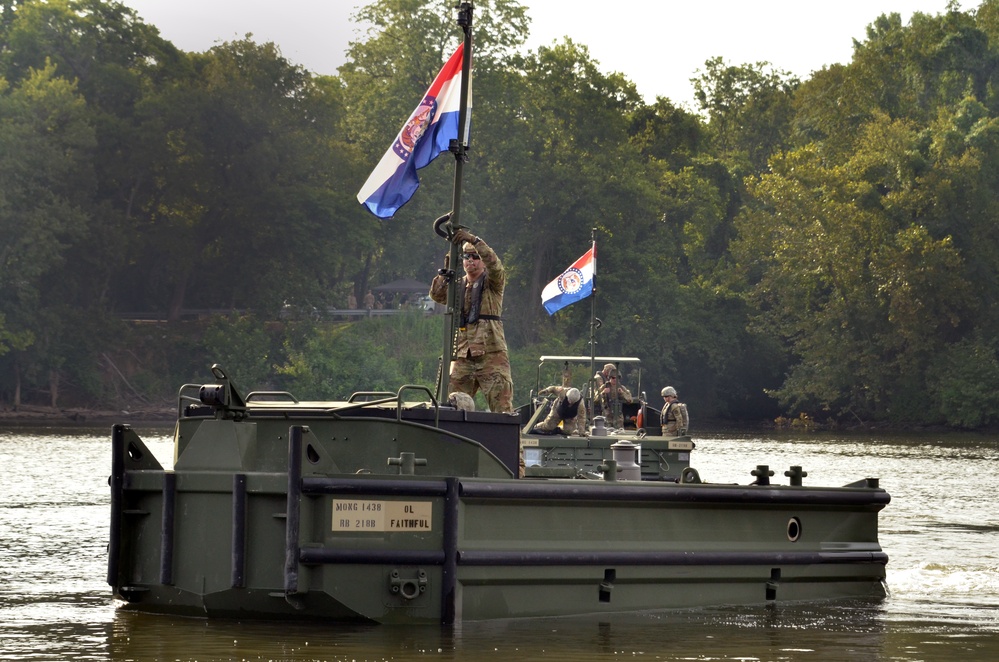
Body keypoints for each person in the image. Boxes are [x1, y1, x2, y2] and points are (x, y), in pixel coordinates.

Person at [429, 228, 513, 414]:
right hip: (462, 355)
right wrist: (448, 268)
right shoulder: (458, 286)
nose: (470, 261)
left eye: (475, 257)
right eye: (466, 257)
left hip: (491, 354)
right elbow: (436, 295)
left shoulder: (492, 284)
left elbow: (495, 266)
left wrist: (474, 241)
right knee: (450, 406)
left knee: (502, 409)